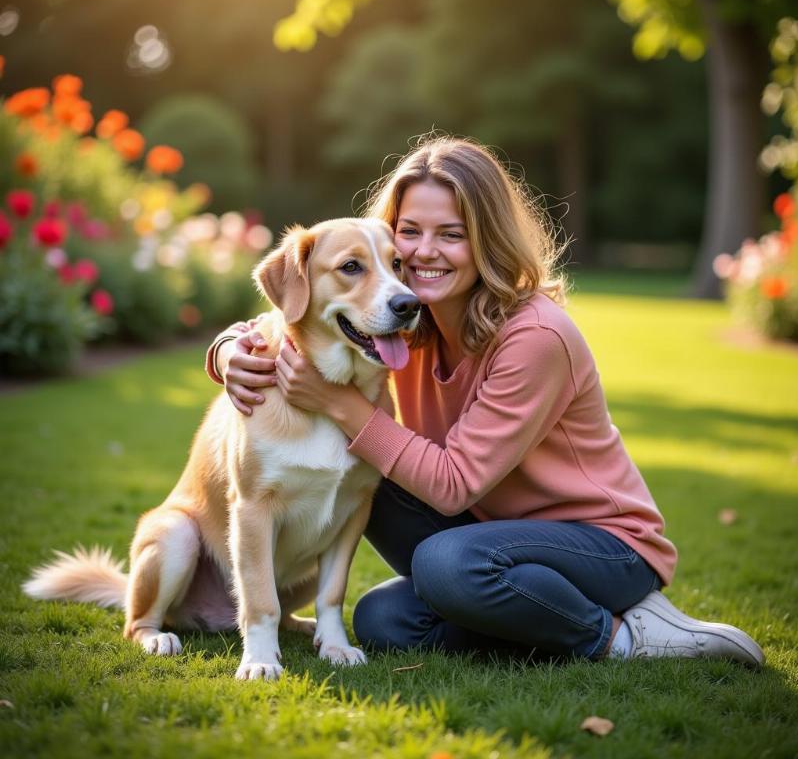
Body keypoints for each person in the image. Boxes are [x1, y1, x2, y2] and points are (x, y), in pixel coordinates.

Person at [206, 136, 763, 666]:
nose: (425, 252)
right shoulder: (397, 321)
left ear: (486, 238)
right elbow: (285, 320)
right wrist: (229, 351)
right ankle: (526, 614)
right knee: (385, 620)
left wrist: (338, 404)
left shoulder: (536, 338)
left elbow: (452, 486)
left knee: (446, 565)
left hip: (602, 545)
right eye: (409, 232)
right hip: (488, 531)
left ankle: (624, 633)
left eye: (451, 233)